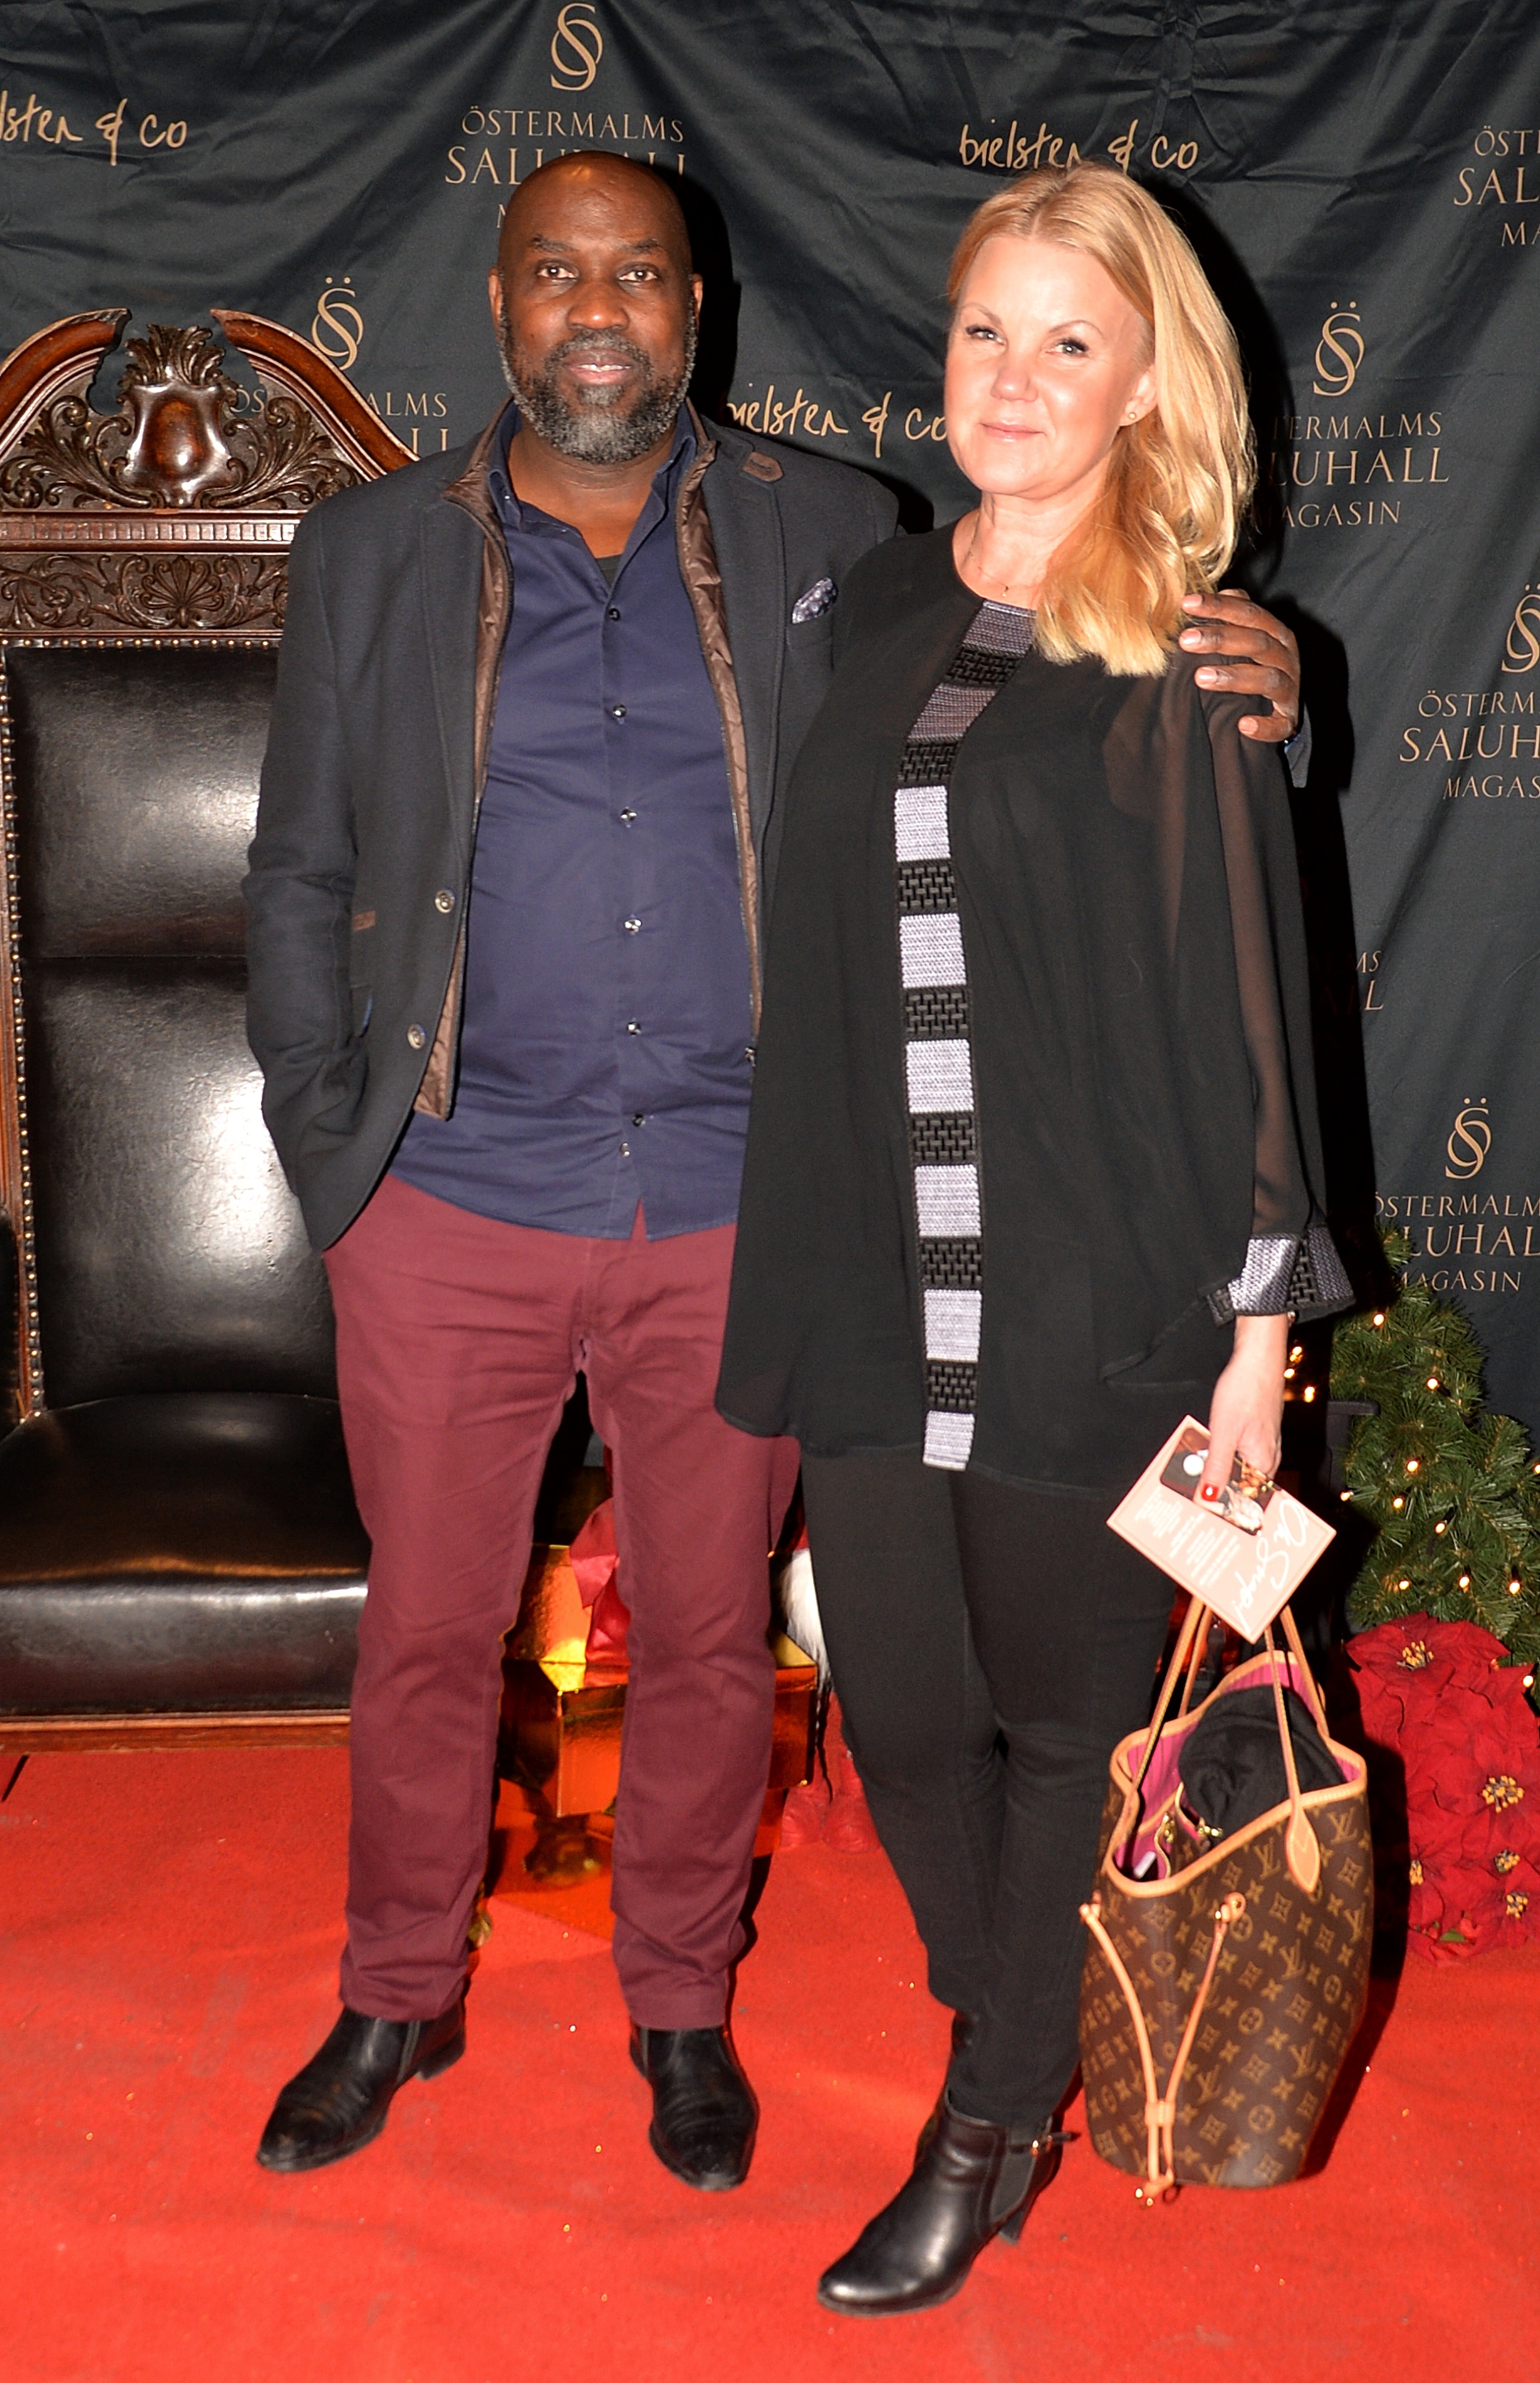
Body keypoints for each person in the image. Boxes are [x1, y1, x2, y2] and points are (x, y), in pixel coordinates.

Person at [243, 151, 1304, 2196]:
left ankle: (678, 1999)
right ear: (498, 301)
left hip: (747, 1200)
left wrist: (1275, 681)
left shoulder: (836, 534)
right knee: (428, 1628)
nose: (598, 310)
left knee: (717, 1635)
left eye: (638, 272)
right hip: (452, 1192)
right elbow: (299, 865)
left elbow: (1052, 690)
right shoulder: (372, 549)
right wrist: (333, 1152)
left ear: (698, 306)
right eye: (555, 273)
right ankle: (394, 1988)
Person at [717, 160, 1350, 2307]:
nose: (1012, 375)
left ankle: (984, 2128)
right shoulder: (873, 599)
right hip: (873, 1265)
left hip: (1095, 1281)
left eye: (1068, 340)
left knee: (1071, 1724)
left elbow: (1251, 1013)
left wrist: (1255, 1333)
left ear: (1144, 380)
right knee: (902, 1718)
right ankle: (1021, 2005)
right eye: (986, 328)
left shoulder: (1190, 648)